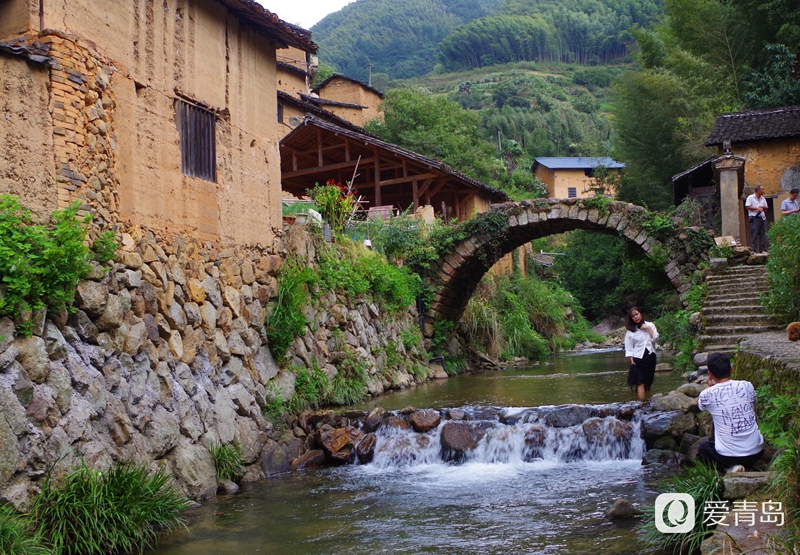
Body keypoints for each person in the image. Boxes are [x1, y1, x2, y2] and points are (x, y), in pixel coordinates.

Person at [696, 353, 764, 471]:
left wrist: (708, 386)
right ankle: (741, 465)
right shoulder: (747, 385)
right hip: (756, 452)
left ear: (710, 374)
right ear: (731, 369)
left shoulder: (707, 394)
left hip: (726, 456)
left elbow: (701, 407)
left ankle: (728, 469)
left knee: (703, 450)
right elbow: (754, 402)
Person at [624, 307, 658, 401]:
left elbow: (655, 339)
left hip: (650, 356)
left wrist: (648, 328)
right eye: (633, 316)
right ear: (631, 318)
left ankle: (647, 402)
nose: (636, 317)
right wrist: (631, 358)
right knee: (640, 382)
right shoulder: (630, 331)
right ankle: (641, 404)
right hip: (638, 358)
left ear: (641, 314)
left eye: (637, 314)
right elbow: (628, 346)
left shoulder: (650, 325)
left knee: (648, 382)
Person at [745, 185, 769, 253]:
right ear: (758, 190)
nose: (763, 191)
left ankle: (762, 249)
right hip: (754, 218)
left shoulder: (763, 199)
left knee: (763, 234)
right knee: (754, 234)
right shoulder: (750, 197)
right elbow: (747, 207)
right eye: (762, 190)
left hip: (762, 217)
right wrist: (757, 208)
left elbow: (766, 208)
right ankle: (753, 250)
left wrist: (763, 208)